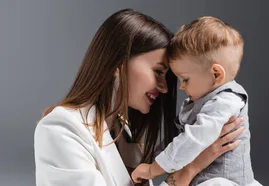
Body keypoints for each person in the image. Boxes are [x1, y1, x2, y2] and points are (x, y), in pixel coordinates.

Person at [33, 8, 244, 186]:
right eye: (158, 72)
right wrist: (190, 169)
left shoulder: (123, 131)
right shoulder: (61, 128)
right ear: (119, 62)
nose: (164, 88)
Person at [131, 16, 260, 186]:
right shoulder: (204, 100)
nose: (181, 87)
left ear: (216, 74)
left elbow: (194, 139)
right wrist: (153, 159)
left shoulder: (227, 100)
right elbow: (179, 139)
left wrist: (152, 169)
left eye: (185, 79)